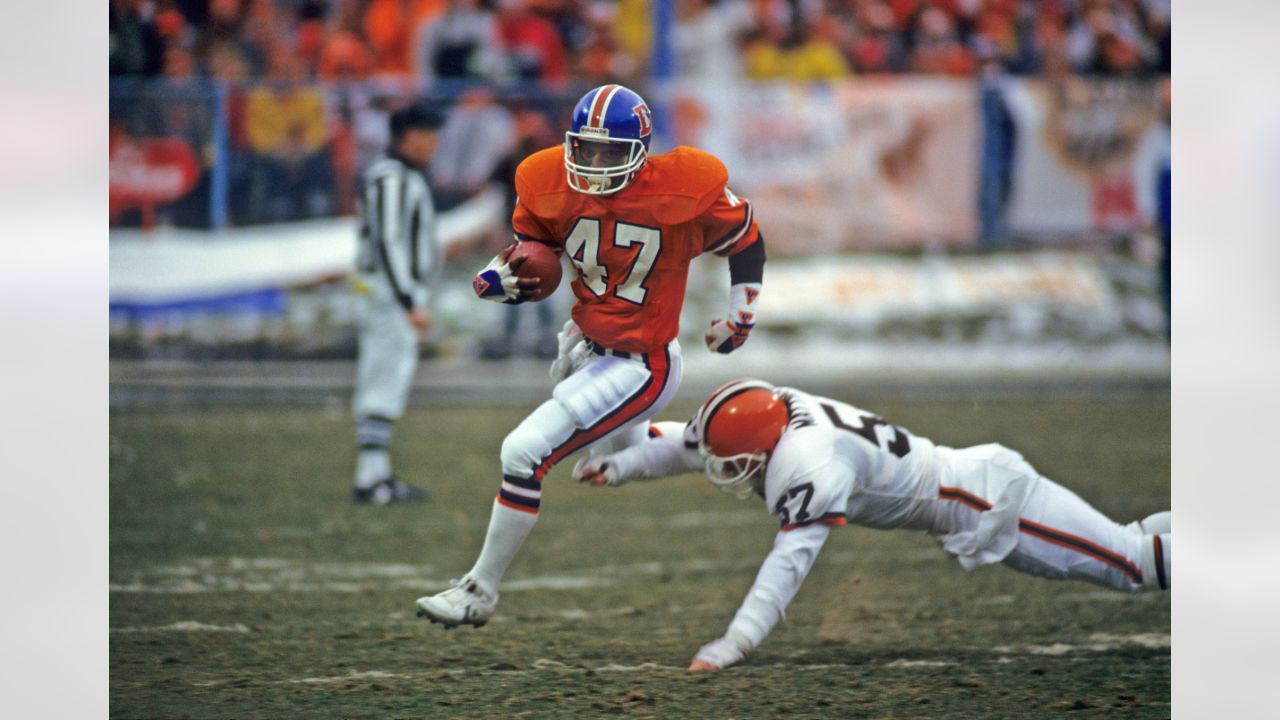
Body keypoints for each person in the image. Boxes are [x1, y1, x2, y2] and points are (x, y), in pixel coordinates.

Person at [415, 84, 768, 627]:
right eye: (586, 149)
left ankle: (478, 591)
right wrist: (499, 279)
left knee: (522, 452)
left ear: (642, 150)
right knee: (617, 457)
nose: (595, 164)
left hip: (640, 363)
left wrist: (740, 310)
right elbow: (535, 257)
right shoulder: (547, 178)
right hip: (585, 346)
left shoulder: (682, 185)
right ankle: (739, 445)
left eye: (610, 153)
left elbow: (745, 235)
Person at [572, 378, 1172, 671]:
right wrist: (622, 465)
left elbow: (790, 561)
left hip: (989, 504)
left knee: (1135, 567)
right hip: (975, 480)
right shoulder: (773, 408)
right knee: (1129, 540)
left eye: (740, 467)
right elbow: (691, 442)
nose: (731, 475)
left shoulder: (809, 463)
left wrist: (737, 641)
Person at [350, 100, 445, 505]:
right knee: (383, 379)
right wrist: (409, 300)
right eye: (429, 134)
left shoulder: (403, 177)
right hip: (390, 297)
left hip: (394, 296)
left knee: (389, 377)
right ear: (410, 137)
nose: (435, 143)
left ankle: (377, 474)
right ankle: (371, 478)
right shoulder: (391, 179)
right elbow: (389, 242)